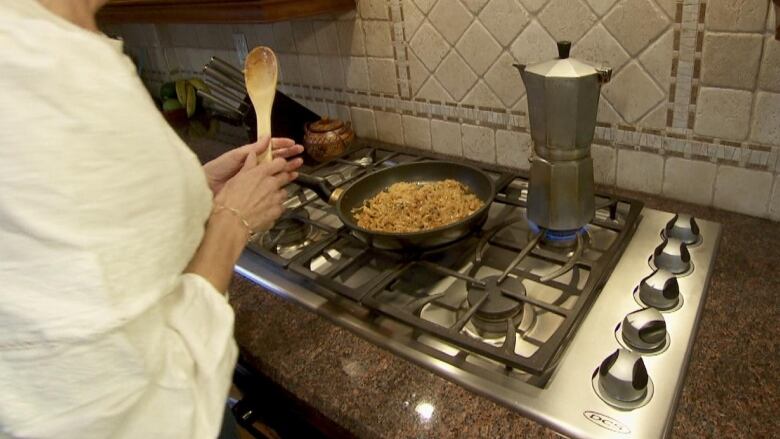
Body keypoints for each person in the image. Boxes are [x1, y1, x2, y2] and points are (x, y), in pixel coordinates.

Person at [0, 1, 303, 437]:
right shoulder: (31, 63)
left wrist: (196, 192)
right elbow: (106, 392)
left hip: (188, 384)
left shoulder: (64, 40)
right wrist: (232, 221)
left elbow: (88, 219)